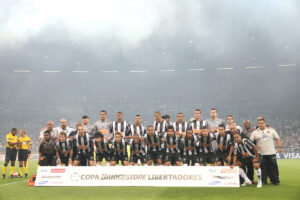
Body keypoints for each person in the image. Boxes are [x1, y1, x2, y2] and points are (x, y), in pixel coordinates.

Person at [250, 118, 282, 185]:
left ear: (265, 123)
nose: (261, 124)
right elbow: (250, 142)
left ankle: (275, 181)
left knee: (273, 167)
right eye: (259, 123)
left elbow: (277, 139)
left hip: (271, 152)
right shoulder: (254, 132)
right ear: (258, 124)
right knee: (262, 168)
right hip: (260, 153)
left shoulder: (271, 130)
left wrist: (279, 147)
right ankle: (263, 181)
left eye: (262, 123)